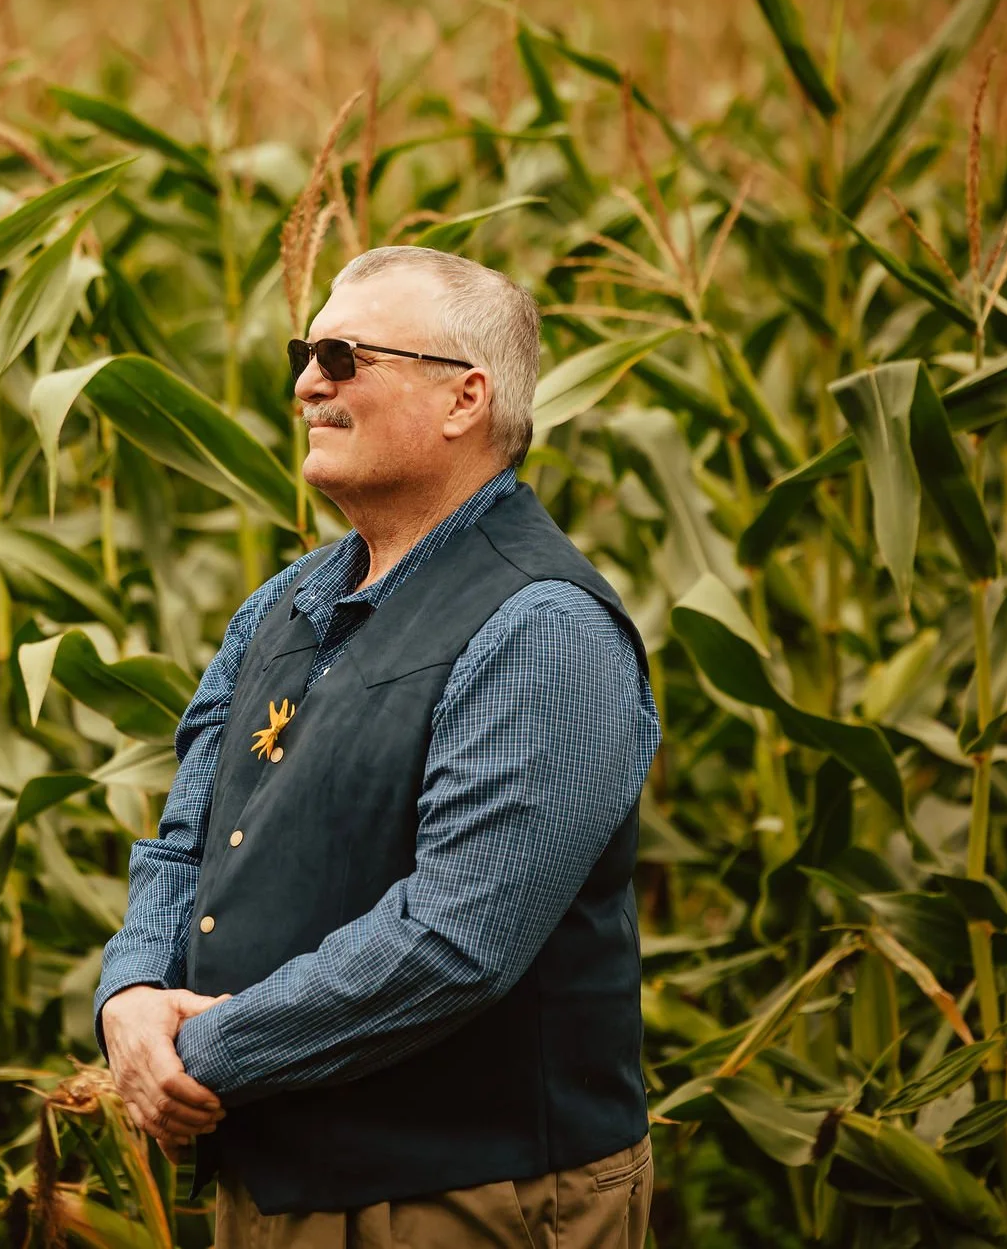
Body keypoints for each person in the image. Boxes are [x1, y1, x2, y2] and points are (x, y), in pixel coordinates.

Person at [93, 245, 662, 1247]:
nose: (307, 381)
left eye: (344, 356)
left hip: (472, 1203)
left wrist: (200, 1056)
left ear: (463, 400)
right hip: (272, 1192)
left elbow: (454, 942)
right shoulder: (281, 604)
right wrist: (130, 995)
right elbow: (186, 835)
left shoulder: (542, 629)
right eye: (304, 355)